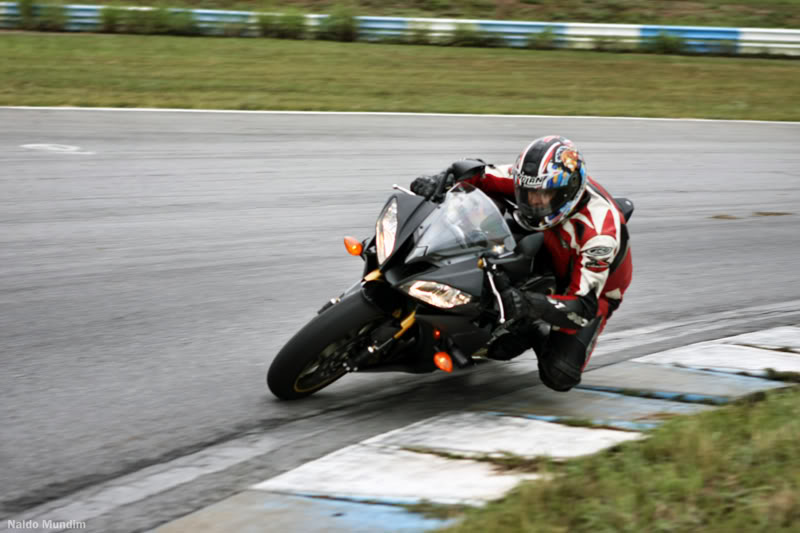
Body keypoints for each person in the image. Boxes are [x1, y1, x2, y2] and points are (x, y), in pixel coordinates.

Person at [409, 136, 633, 392]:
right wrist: (439, 181)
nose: (533, 202)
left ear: (567, 191)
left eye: (543, 195)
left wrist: (528, 305)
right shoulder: (535, 181)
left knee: (560, 373)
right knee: (480, 214)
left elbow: (582, 307)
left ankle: (533, 329)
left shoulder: (599, 235)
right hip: (548, 235)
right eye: (527, 193)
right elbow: (479, 174)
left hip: (592, 287)